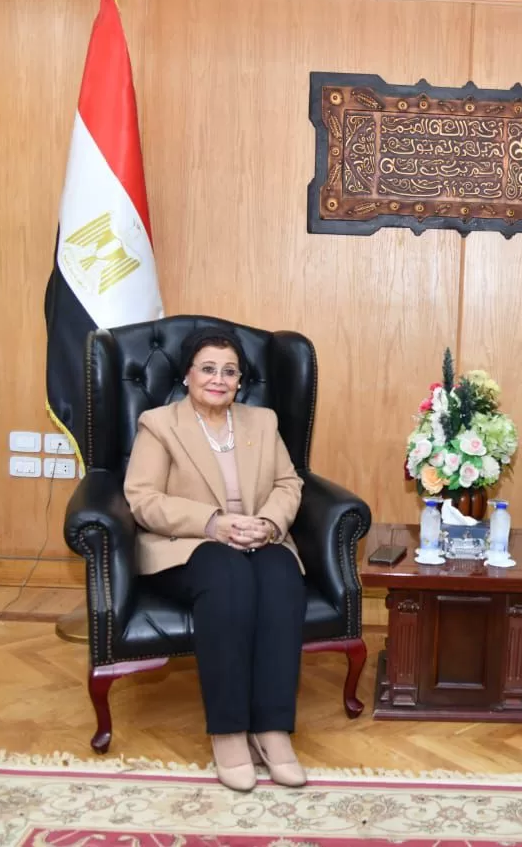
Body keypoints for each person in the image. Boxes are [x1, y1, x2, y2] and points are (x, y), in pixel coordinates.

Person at [123, 325, 307, 792]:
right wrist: (213, 523)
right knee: (228, 577)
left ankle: (272, 728)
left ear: (240, 380)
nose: (219, 380)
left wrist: (268, 523)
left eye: (229, 371)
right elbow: (143, 499)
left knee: (282, 575)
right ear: (187, 375)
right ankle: (228, 732)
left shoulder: (262, 422)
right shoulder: (159, 425)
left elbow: (288, 484)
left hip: (258, 538)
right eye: (208, 369)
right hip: (189, 545)